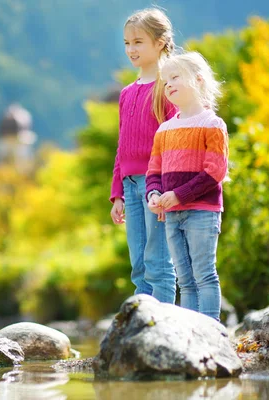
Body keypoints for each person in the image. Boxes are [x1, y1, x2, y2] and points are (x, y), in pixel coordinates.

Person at [146, 51, 228, 321]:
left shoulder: (212, 124)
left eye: (174, 77)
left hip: (202, 212)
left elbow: (215, 171)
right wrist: (154, 194)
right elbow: (153, 171)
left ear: (199, 80)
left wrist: (179, 195)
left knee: (204, 274)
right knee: (185, 281)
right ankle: (190, 335)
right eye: (164, 80)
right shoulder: (164, 130)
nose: (167, 84)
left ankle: (211, 332)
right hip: (171, 214)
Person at [110, 8, 177, 303]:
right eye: (126, 43)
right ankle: (143, 325)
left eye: (138, 42)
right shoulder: (126, 93)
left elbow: (176, 142)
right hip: (130, 186)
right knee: (138, 264)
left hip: (157, 186)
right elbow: (121, 148)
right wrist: (117, 195)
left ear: (160, 42)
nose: (130, 49)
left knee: (159, 264)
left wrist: (166, 188)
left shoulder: (169, 87)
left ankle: (163, 327)